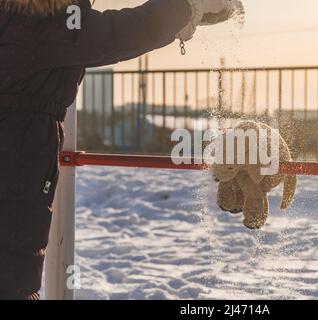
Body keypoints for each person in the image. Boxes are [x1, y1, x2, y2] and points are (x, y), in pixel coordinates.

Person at [0, 0, 242, 300]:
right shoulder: (39, 15)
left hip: (20, 143)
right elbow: (118, 33)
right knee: (12, 275)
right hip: (17, 151)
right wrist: (184, 7)